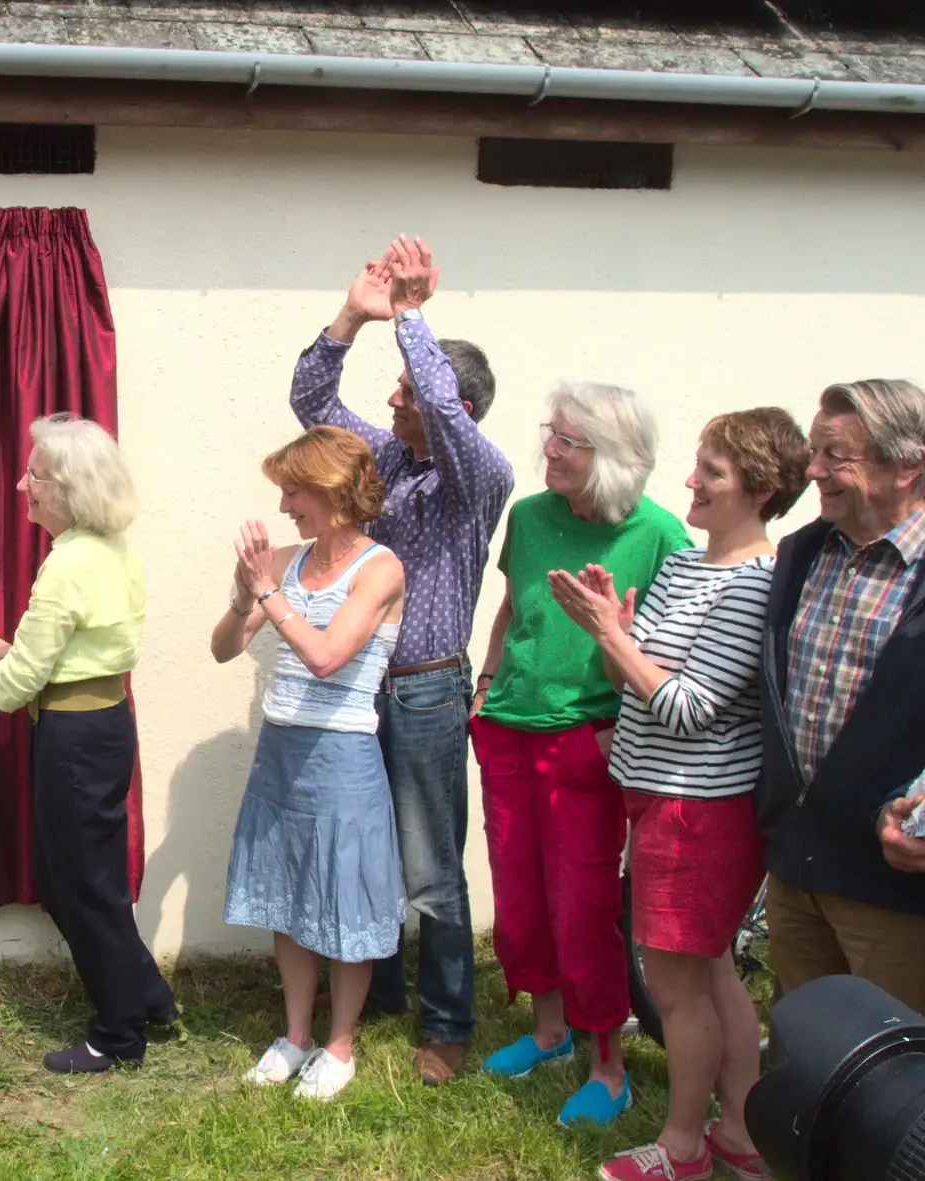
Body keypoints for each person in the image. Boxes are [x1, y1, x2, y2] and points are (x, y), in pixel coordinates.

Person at [550, 409, 811, 1181]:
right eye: (697, 464)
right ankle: (743, 1131)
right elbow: (637, 678)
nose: (691, 482)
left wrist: (616, 637)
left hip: (698, 810)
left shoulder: (756, 584)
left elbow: (690, 707)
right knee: (712, 969)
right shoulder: (685, 566)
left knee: (675, 985)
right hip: (658, 797)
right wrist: (615, 629)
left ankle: (682, 1146)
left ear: (762, 492)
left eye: (713, 472)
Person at [289, 235, 512, 1086]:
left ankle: (448, 1020)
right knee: (366, 848)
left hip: (424, 693)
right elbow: (312, 397)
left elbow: (450, 423)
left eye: (409, 391)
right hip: (357, 686)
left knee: (429, 866)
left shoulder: (479, 474)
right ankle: (377, 990)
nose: (392, 399)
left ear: (448, 402)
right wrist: (354, 314)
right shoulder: (380, 458)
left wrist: (413, 317)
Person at [471, 381, 691, 1127]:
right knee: (520, 889)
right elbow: (513, 605)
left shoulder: (659, 535)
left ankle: (608, 1064)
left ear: (614, 457)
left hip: (588, 740)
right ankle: (548, 1031)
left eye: (568, 440)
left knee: (584, 903)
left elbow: (669, 650)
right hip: (508, 724)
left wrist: (614, 721)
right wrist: (488, 680)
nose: (550, 449)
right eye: (552, 433)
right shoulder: (529, 517)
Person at [0, 412, 174, 1073]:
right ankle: (148, 998)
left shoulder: (65, 566)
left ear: (67, 489)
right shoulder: (112, 550)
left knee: (79, 885)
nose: (24, 485)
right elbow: (83, 646)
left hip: (73, 739)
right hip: (105, 725)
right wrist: (16, 650)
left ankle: (118, 1034)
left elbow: (21, 683)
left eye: (35, 474)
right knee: (86, 880)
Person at [211, 424, 407, 1103]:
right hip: (282, 749)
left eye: (295, 490)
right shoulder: (286, 563)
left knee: (342, 898)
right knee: (291, 894)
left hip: (343, 754)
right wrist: (246, 595)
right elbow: (223, 648)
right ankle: (295, 1035)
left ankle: (341, 1044)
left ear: (332, 489)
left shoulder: (380, 568)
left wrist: (269, 592)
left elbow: (327, 657)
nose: (286, 504)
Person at [756, 379, 925, 1015]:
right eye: (814, 449)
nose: (812, 470)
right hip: (797, 865)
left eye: (836, 456)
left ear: (909, 465)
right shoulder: (802, 553)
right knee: (808, 1053)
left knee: (892, 1076)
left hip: (892, 881)